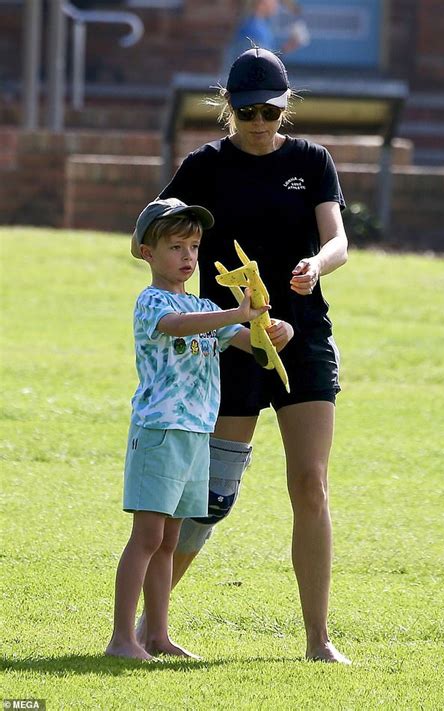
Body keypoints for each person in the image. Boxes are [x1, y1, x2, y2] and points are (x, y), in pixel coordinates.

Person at [137, 47, 351, 664]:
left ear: (286, 109)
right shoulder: (203, 166)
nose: (260, 123)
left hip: (303, 338)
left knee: (310, 485)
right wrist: (177, 289)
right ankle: (148, 630)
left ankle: (318, 640)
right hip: (230, 344)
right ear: (228, 107)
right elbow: (152, 232)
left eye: (271, 111)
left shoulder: (311, 161)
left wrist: (317, 264)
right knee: (212, 497)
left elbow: (337, 238)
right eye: (248, 111)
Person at [106, 196, 293, 660]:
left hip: (195, 434)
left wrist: (275, 333)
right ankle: (121, 639)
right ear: (148, 253)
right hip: (161, 431)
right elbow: (177, 326)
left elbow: (251, 345)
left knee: (169, 540)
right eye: (175, 247)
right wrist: (235, 315)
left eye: (193, 246)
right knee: (147, 538)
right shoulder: (153, 302)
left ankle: (157, 636)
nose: (188, 257)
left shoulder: (206, 304)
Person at [223, 0, 310, 71]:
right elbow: (260, 64)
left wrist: (288, 47)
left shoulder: (261, 25)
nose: (276, 4)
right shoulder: (253, 28)